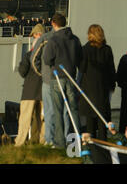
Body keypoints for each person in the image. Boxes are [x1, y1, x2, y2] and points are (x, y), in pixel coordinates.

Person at [42, 13, 83, 149]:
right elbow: (80, 59)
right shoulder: (75, 39)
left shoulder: (53, 40)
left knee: (58, 111)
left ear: (54, 24)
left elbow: (47, 59)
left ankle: (60, 142)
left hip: (57, 78)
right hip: (71, 77)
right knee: (73, 110)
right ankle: (76, 140)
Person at [79, 25, 116, 141]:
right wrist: (112, 85)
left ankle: (91, 143)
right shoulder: (107, 49)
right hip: (103, 88)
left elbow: (81, 68)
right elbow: (111, 69)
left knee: (90, 118)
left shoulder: (85, 49)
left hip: (89, 88)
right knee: (103, 117)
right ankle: (103, 141)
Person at [15, 24, 46, 146]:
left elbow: (22, 72)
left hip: (29, 91)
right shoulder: (49, 54)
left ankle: (20, 143)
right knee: (42, 120)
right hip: (44, 90)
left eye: (34, 35)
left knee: (25, 120)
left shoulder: (29, 55)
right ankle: (42, 142)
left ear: (36, 36)